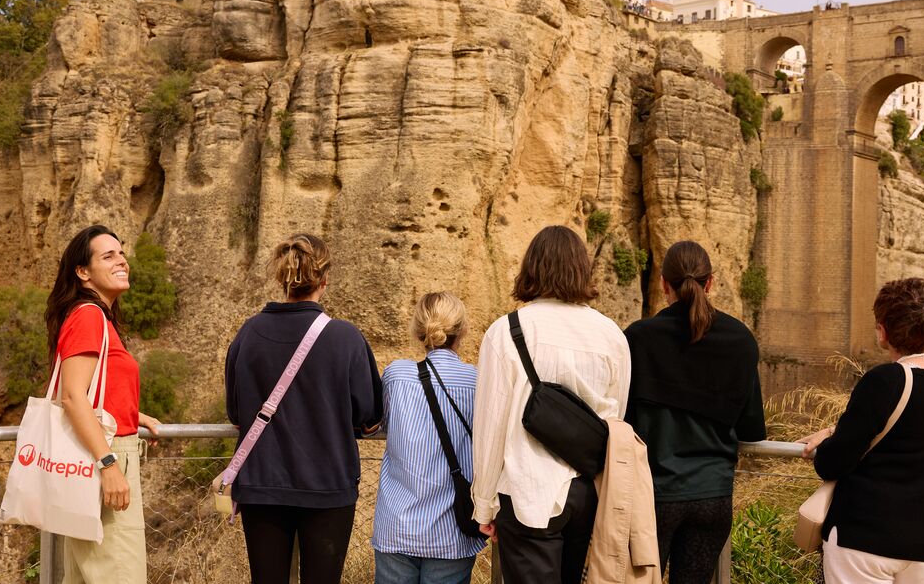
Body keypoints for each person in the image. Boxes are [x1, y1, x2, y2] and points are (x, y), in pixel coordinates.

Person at [471, 225, 631, 584]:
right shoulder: (611, 335)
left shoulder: (506, 331)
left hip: (527, 490)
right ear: (581, 268)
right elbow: (615, 418)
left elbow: (490, 428)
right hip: (586, 492)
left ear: (532, 268)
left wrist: (484, 505)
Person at [225, 233, 383, 584]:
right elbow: (370, 417)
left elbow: (237, 414)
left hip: (261, 485)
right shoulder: (346, 338)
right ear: (325, 280)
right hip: (327, 486)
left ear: (281, 279)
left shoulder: (248, 334)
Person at [799, 278, 924, 584]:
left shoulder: (885, 380)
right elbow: (918, 432)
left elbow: (831, 463)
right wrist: (836, 430)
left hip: (866, 540)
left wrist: (830, 438)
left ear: (883, 331)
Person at [624, 240, 766, 584]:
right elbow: (751, 429)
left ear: (663, 284)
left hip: (653, 497)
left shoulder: (639, 339)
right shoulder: (741, 340)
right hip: (712, 496)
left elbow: (621, 421)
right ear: (711, 282)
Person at [46, 224, 161, 584]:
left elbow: (88, 390)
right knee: (121, 573)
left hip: (96, 457)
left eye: (122, 253)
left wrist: (132, 413)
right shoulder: (89, 316)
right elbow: (71, 396)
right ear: (83, 272)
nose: (121, 261)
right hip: (105, 458)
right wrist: (109, 465)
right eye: (108, 256)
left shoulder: (96, 317)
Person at [372, 292, 486, 583]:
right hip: (452, 530)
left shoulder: (396, 375)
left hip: (397, 525)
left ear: (417, 330)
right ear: (461, 332)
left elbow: (378, 421)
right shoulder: (477, 381)